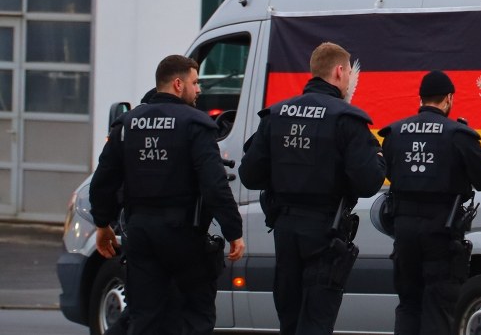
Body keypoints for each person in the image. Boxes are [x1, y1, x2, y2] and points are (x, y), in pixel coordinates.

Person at [88, 55, 245, 335]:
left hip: (140, 235)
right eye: (195, 83)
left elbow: (102, 181)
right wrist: (234, 231)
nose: (199, 90)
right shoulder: (196, 124)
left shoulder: (127, 124)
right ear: (177, 84)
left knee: (145, 317)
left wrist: (102, 225)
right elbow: (214, 185)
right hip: (183, 237)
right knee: (195, 316)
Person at [239, 42, 385, 335]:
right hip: (325, 232)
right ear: (339, 71)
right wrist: (380, 160)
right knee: (317, 320)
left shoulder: (276, 115)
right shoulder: (346, 119)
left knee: (290, 320)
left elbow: (249, 174)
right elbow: (369, 182)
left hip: (285, 229)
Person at [378, 70, 481, 335]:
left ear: (421, 98)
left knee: (409, 305)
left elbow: (385, 171)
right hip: (441, 235)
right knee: (439, 307)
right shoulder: (458, 135)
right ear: (448, 99)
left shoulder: (395, 133)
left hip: (404, 234)